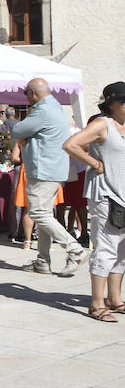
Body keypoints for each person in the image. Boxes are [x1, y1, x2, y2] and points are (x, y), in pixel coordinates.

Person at [64, 82, 125, 322]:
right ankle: (96, 304)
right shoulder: (102, 124)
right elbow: (71, 145)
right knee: (106, 249)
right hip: (106, 196)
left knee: (122, 251)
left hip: (123, 194)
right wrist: (95, 164)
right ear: (113, 104)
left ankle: (115, 299)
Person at [13, 78, 86, 276]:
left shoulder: (42, 110)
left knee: (38, 213)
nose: (26, 98)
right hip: (53, 168)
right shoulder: (54, 107)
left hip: (44, 169)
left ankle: (74, 249)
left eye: (26, 93)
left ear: (33, 93)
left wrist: (25, 135)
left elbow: (17, 130)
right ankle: (43, 261)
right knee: (45, 213)